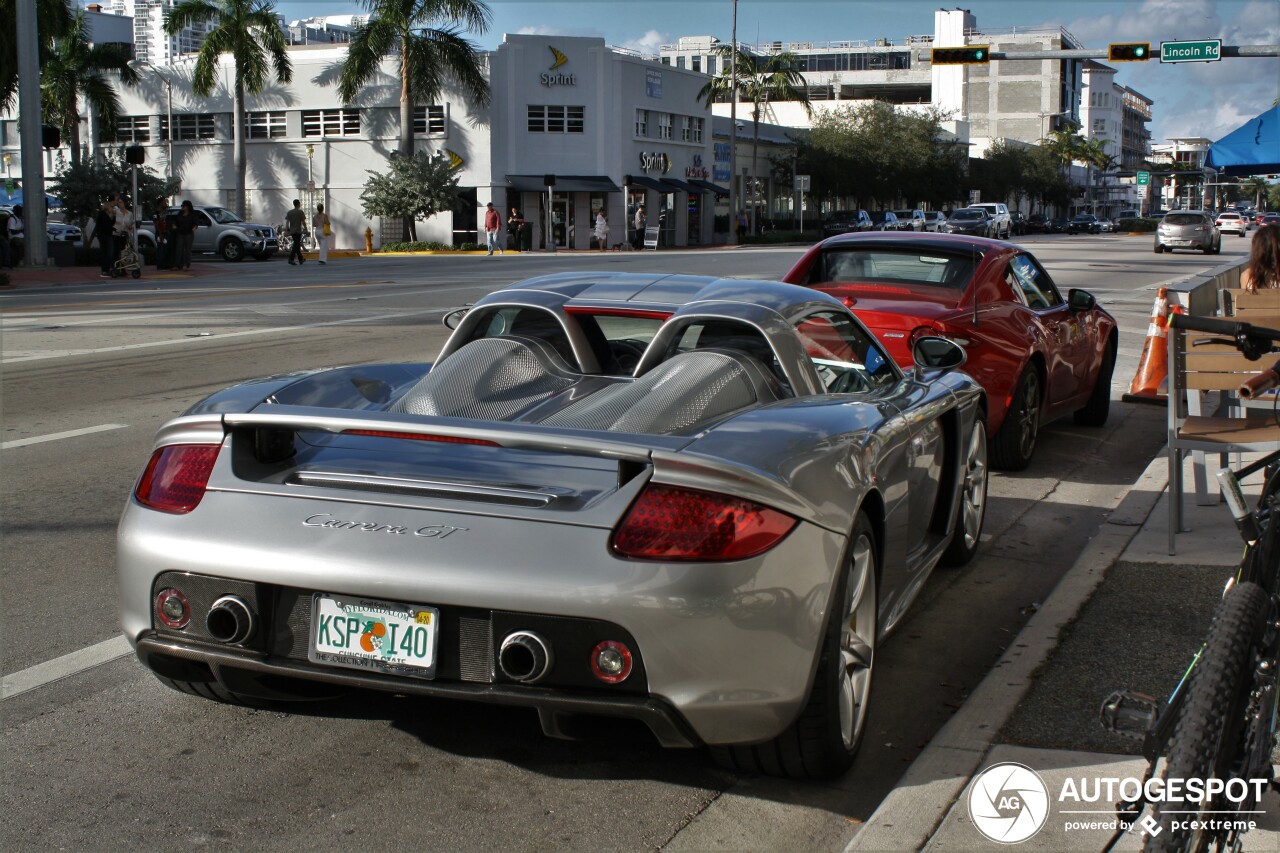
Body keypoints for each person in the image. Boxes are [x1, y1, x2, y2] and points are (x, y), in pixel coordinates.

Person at [171, 200, 197, 270]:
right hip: (180, 233)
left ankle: (187, 264)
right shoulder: (180, 213)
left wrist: (194, 228)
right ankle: (177, 264)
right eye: (182, 206)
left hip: (189, 233)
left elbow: (195, 223)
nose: (182, 207)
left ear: (188, 207)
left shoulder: (192, 214)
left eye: (184, 206)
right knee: (179, 249)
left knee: (187, 250)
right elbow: (176, 221)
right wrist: (174, 225)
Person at [95, 199, 117, 277]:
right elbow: (105, 226)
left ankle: (106, 270)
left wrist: (114, 216)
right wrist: (113, 229)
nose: (113, 208)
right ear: (107, 207)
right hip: (104, 236)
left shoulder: (108, 215)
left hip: (107, 235)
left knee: (108, 253)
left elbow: (112, 224)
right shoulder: (102, 215)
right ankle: (105, 270)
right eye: (111, 207)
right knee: (107, 253)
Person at [285, 198, 306, 265]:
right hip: (298, 231)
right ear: (298, 204)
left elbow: (287, 222)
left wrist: (286, 230)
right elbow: (303, 222)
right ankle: (291, 259)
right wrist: (306, 229)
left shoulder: (289, 212)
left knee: (297, 244)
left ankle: (301, 259)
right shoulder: (300, 212)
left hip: (292, 231)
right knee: (296, 245)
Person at [151, 197, 170, 269]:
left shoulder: (165, 212)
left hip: (166, 233)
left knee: (165, 249)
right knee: (161, 250)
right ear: (160, 203)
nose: (166, 204)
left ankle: (164, 264)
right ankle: (160, 265)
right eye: (164, 202)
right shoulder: (156, 213)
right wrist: (160, 234)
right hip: (160, 233)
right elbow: (156, 224)